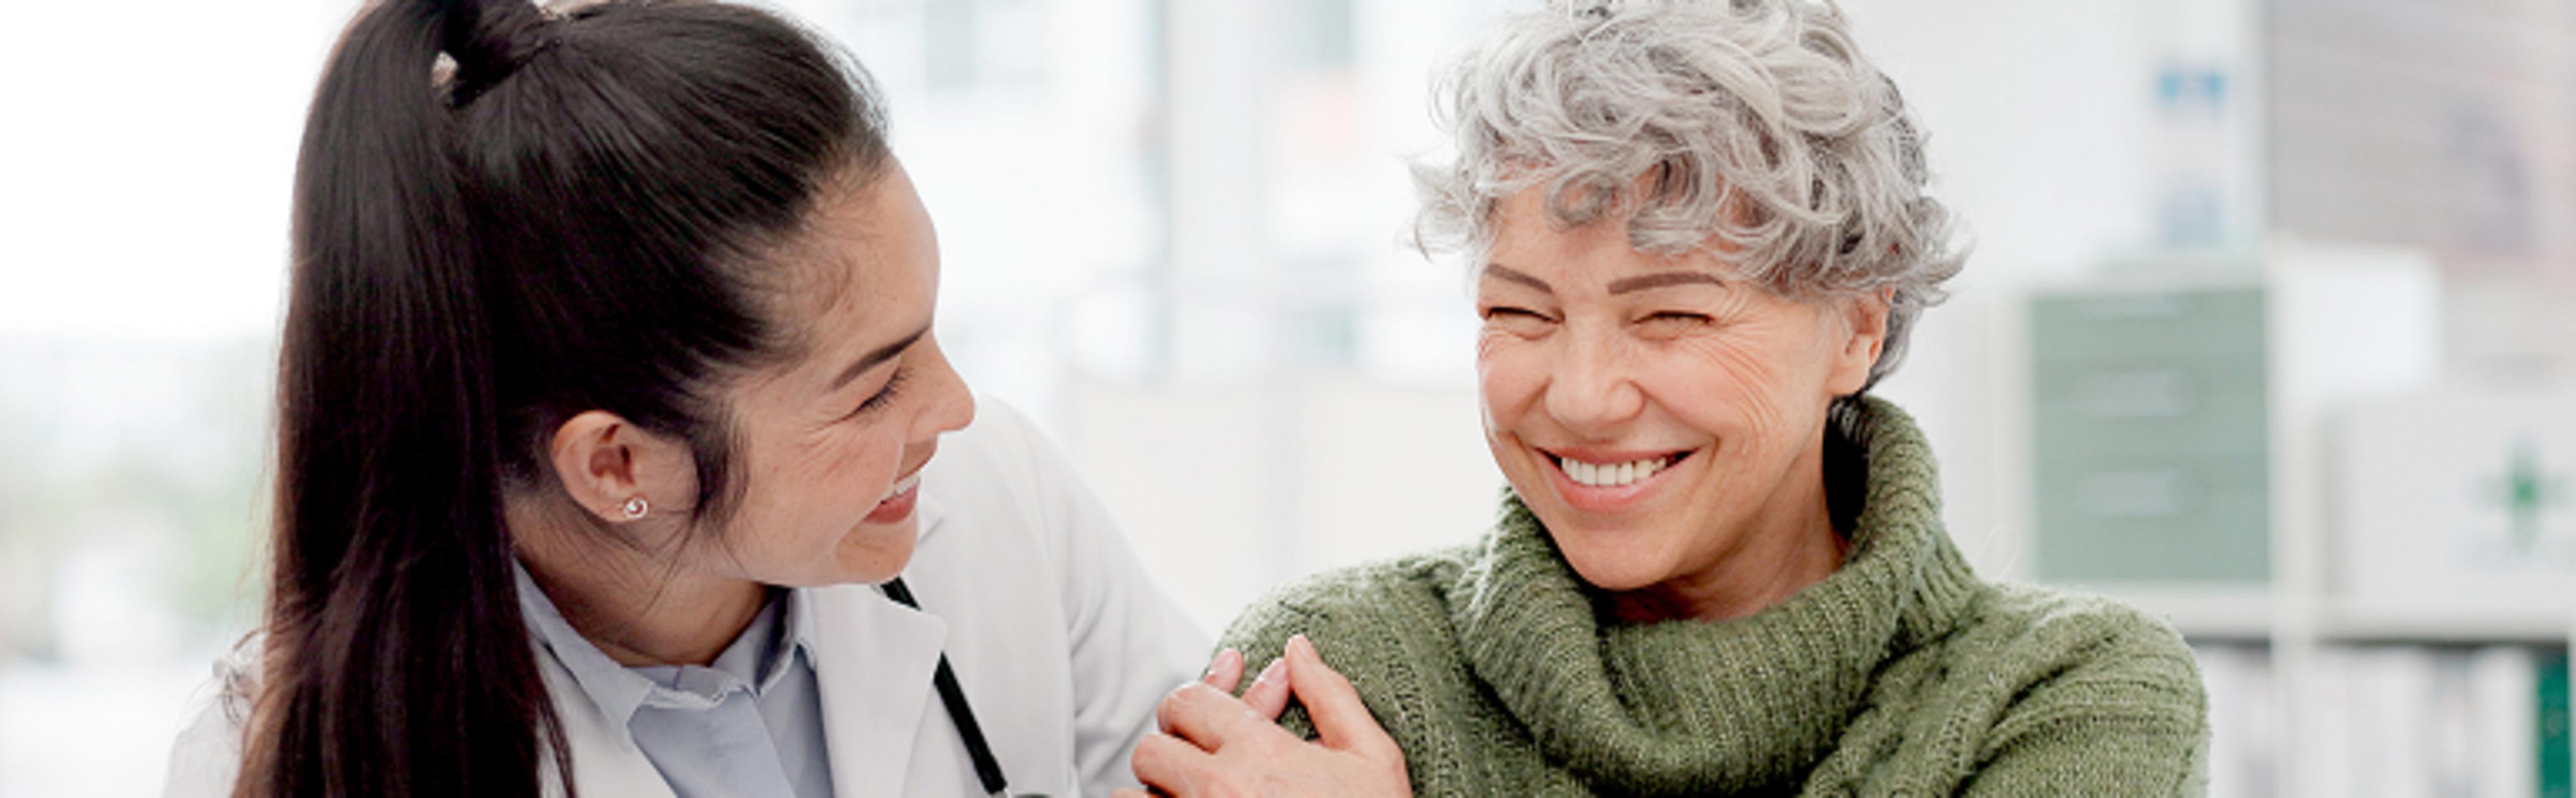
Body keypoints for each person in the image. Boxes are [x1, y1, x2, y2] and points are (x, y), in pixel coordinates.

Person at [1130, 1, 2210, 795]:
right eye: (1522, 314)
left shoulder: (2070, 693)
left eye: (1671, 317)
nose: (1585, 397)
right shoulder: (1340, 662)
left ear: (1859, 326)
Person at [160, 1, 1203, 795]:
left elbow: (1212, 758)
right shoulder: (298, 760)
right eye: (876, 384)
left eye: (931, 337)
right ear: (618, 462)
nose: (956, 407)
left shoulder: (998, 501)